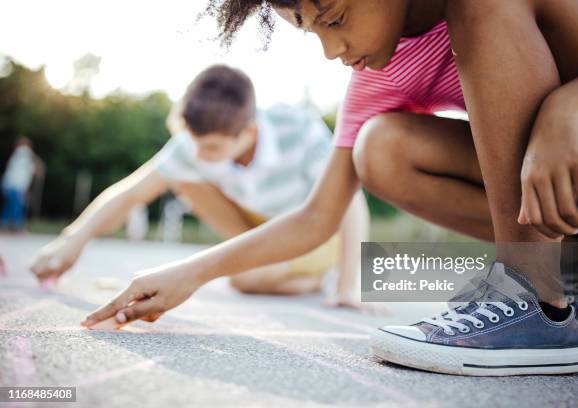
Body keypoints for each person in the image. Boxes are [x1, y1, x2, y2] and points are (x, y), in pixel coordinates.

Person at [83, 0, 578, 375]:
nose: (331, 49)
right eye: (312, 30)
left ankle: (534, 301)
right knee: (381, 149)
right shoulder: (377, 76)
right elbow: (318, 218)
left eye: (335, 19)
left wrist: (576, 102)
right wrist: (190, 272)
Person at [31, 64, 370, 308]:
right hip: (257, 222)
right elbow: (133, 191)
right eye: (196, 145)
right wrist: (72, 240)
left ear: (248, 132)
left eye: (213, 149)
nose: (200, 156)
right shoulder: (194, 144)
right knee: (180, 177)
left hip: (311, 229)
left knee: (245, 280)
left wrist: (349, 286)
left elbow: (350, 200)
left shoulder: (298, 129)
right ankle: (272, 267)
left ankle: (318, 279)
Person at [1, 137, 40, 232]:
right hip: (16, 186)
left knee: (10, 206)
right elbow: (35, 169)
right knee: (17, 206)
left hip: (9, 185)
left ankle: (4, 226)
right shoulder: (23, 151)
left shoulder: (17, 155)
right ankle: (17, 227)